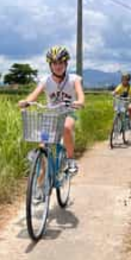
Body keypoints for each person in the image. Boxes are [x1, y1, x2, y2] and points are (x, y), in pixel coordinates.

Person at [18, 45, 85, 174]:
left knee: (66, 128)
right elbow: (34, 94)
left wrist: (80, 102)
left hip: (68, 112)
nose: (57, 66)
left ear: (65, 63)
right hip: (52, 115)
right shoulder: (45, 80)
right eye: (54, 63)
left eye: (60, 63)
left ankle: (70, 159)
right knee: (43, 143)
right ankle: (42, 178)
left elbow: (80, 94)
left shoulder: (74, 79)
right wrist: (26, 102)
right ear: (50, 65)